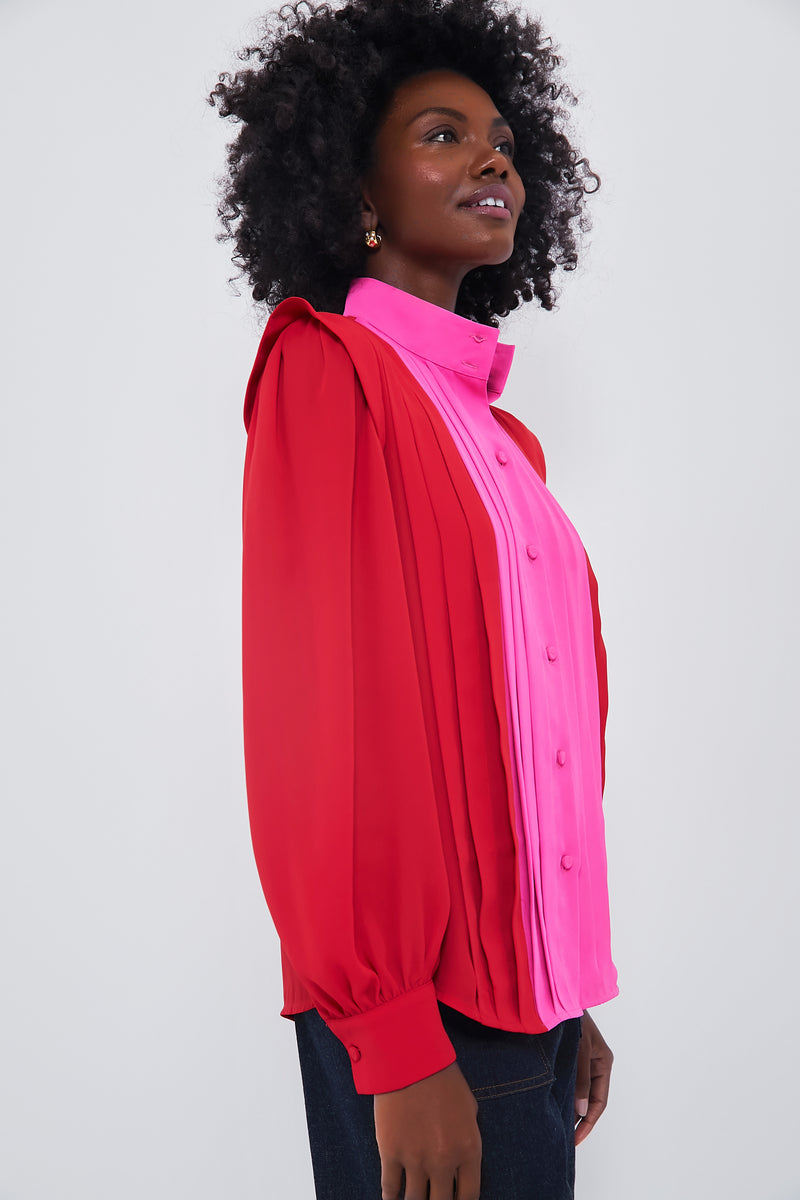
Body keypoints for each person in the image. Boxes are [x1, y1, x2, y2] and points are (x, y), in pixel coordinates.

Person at [209, 1, 618, 1196]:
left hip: (523, 1015)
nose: (493, 158)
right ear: (356, 192)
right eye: (442, 134)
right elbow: (323, 728)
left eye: (502, 140)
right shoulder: (326, 371)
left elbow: (527, 742)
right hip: (421, 1027)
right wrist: (390, 1037)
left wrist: (564, 993)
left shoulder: (503, 443)